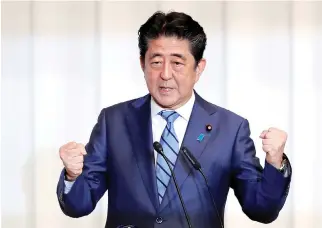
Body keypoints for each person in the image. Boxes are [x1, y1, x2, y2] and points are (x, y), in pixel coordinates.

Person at [56, 11, 292, 228]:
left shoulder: (230, 129)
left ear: (199, 68)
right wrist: (73, 175)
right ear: (142, 64)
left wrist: (275, 162)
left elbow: (262, 209)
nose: (165, 74)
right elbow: (79, 205)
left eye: (177, 63)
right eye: (156, 62)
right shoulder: (114, 121)